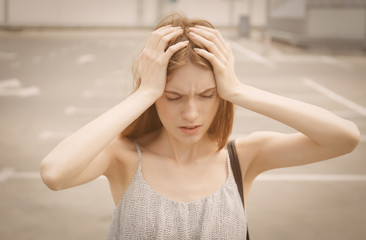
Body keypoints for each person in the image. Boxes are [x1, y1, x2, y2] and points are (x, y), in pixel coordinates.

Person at [40, 13, 360, 239]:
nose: (191, 113)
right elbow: (55, 173)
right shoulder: (123, 157)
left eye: (207, 95)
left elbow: (345, 137)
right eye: (173, 97)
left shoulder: (241, 158)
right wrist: (145, 92)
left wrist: (238, 90)